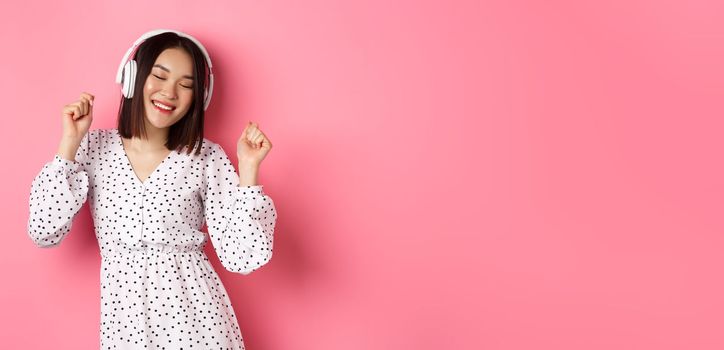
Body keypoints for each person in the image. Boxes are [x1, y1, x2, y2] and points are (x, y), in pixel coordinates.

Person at [27, 29, 277, 349]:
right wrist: (69, 144)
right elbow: (43, 230)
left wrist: (249, 169)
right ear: (133, 77)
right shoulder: (94, 148)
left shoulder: (205, 157)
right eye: (159, 76)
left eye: (185, 85)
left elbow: (241, 257)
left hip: (198, 325)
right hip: (126, 330)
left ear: (198, 98)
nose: (170, 92)